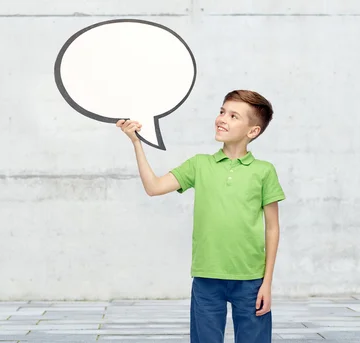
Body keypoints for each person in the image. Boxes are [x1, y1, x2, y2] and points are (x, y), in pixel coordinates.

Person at [116, 90, 285, 343]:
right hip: (207, 276)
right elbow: (154, 187)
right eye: (221, 111)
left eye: (233, 115)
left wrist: (267, 283)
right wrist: (136, 143)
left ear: (253, 131)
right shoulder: (199, 164)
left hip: (250, 279)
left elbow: (272, 228)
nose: (222, 119)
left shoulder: (264, 171)